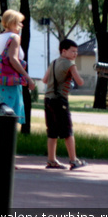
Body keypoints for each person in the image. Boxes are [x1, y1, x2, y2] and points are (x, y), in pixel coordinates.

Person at [43, 39, 87, 170]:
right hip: (60, 101)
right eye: (72, 51)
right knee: (68, 131)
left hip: (48, 100)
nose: (75, 54)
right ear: (64, 51)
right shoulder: (70, 64)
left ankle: (51, 160)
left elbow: (45, 80)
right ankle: (74, 160)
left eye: (76, 52)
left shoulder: (53, 62)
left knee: (52, 132)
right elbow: (80, 82)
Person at [0, 9, 37, 122]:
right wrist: (28, 78)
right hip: (10, 81)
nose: (21, 25)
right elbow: (13, 59)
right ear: (13, 22)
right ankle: (8, 139)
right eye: (19, 22)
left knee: (2, 113)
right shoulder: (14, 37)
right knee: (11, 116)